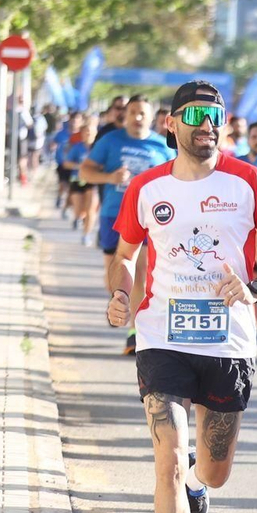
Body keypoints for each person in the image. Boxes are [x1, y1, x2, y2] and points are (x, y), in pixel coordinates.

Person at [104, 80, 257, 513]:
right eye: (195, 113)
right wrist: (120, 293)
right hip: (161, 335)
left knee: (212, 472)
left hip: (228, 342)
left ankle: (197, 485)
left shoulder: (251, 183)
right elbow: (124, 255)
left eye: (215, 113)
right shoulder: (146, 187)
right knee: (166, 456)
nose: (207, 122)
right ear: (172, 123)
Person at [79, 94, 176, 353]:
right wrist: (109, 177)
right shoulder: (110, 141)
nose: (138, 117)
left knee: (141, 274)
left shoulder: (163, 147)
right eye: (133, 112)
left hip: (150, 218)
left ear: (154, 117)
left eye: (143, 113)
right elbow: (84, 171)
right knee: (114, 272)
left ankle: (135, 331)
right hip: (114, 214)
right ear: (126, 115)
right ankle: (119, 302)